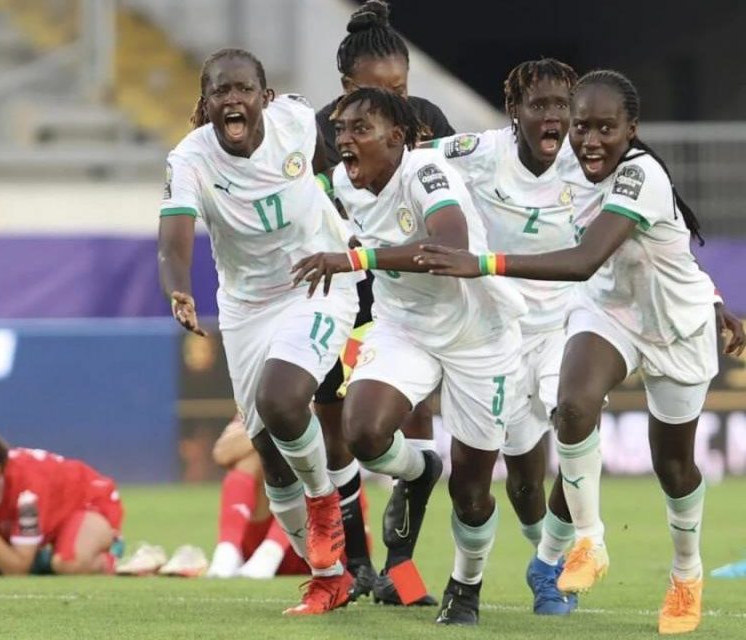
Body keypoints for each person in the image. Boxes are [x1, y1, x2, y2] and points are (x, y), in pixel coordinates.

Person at [414, 69, 746, 634]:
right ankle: (587, 542)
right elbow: (428, 152)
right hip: (610, 312)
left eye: (604, 128)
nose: (589, 139)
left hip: (674, 328)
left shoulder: (641, 175)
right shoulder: (569, 160)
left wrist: (483, 261)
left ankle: (686, 576)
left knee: (672, 465)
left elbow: (584, 259)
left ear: (631, 130)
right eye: (581, 126)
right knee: (572, 405)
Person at [292, 87, 527, 626]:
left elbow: (448, 246)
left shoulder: (423, 170)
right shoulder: (341, 189)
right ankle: (419, 471)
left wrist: (355, 257)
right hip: (405, 329)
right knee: (363, 433)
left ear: (397, 138)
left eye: (360, 129)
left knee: (471, 490)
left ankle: (465, 586)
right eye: (341, 130)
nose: (345, 140)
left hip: (479, 335)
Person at [158, 48, 360, 615]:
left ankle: (325, 504)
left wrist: (346, 222)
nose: (233, 100)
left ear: (265, 98)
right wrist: (179, 286)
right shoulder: (190, 158)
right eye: (221, 91)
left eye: (244, 89)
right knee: (270, 455)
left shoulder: (296, 121)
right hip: (246, 307)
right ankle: (328, 577)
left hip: (316, 282)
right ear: (206, 105)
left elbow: (333, 168)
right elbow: (172, 236)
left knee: (281, 400)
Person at [426, 58, 581, 616]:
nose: (553, 117)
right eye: (539, 105)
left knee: (578, 431)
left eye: (562, 105)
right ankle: (477, 577)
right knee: (509, 482)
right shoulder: (480, 153)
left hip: (565, 329)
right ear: (514, 110)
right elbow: (408, 168)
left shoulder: (588, 161)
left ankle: (550, 568)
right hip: (495, 331)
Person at [314, 0, 454, 603]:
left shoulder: (427, 120)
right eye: (378, 90)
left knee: (413, 417)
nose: (395, 102)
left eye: (401, 88)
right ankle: (358, 561)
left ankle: (401, 569)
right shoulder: (316, 132)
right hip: (339, 287)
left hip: (408, 289)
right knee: (334, 426)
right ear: (347, 89)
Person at [0, 410, 123, 576]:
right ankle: (42, 553)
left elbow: (17, 570)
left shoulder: (27, 491)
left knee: (67, 563)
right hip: (39, 515)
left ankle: (112, 556)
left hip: (88, 502)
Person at [206, 415, 312, 579]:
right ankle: (227, 551)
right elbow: (222, 454)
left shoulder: (326, 394)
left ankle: (271, 553)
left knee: (308, 461)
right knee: (256, 454)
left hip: (323, 538)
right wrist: (277, 423)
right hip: (261, 538)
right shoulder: (259, 399)